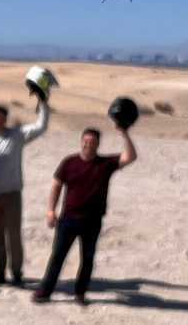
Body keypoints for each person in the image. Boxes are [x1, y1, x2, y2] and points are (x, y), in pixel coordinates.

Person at [32, 126, 137, 305]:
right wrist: (51, 211)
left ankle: (80, 294)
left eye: (92, 141)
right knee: (57, 257)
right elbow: (56, 185)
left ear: (98, 144)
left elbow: (130, 157)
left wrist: (124, 134)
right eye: (85, 141)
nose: (88, 144)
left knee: (87, 259)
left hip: (92, 221)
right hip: (68, 219)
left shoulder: (105, 164)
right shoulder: (69, 162)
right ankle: (44, 292)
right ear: (81, 141)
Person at [0, 98, 49, 286]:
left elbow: (41, 126)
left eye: (1, 118)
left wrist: (43, 103)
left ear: (6, 120)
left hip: (12, 194)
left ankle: (17, 273)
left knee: (14, 235)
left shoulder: (17, 135)